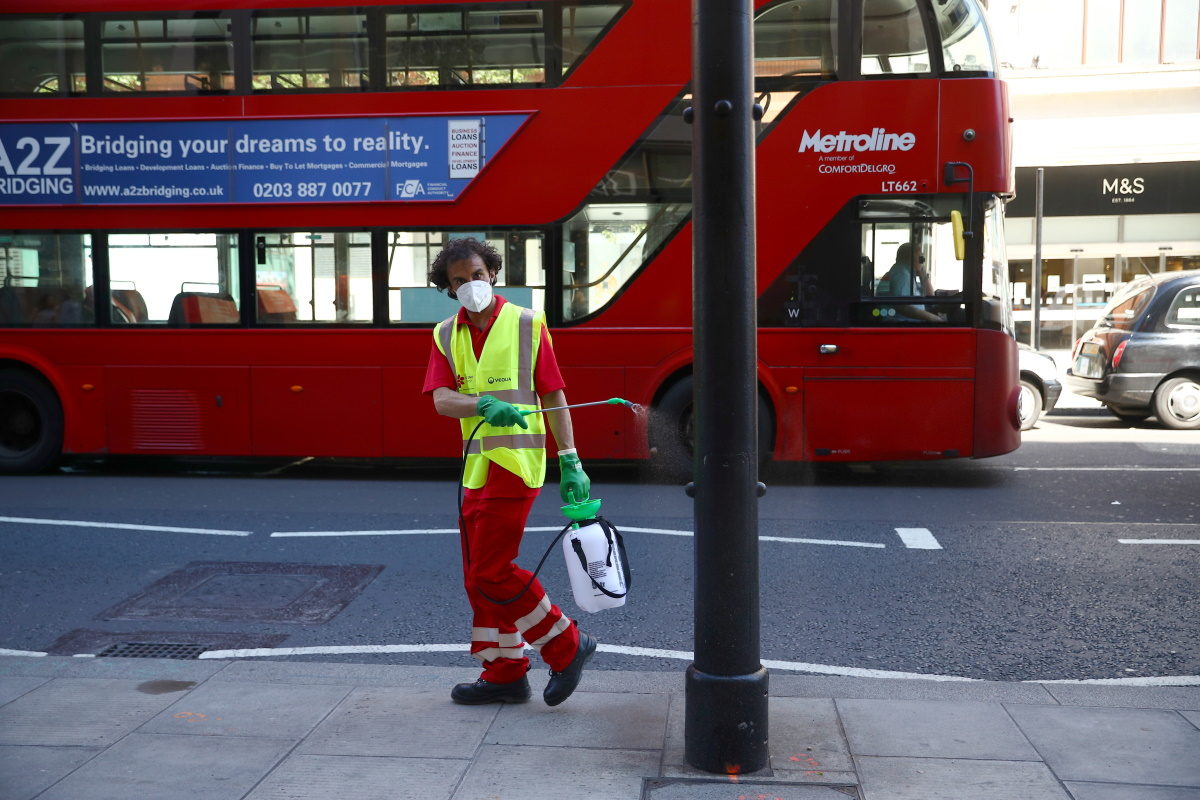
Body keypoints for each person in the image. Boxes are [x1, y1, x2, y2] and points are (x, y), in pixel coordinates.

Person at [422, 237, 598, 707]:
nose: (470, 285)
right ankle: (504, 672)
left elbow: (554, 396)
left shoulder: (526, 322)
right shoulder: (445, 334)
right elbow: (442, 401)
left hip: (516, 465)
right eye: (459, 280)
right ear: (448, 287)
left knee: (493, 571)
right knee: (475, 576)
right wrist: (481, 403)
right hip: (475, 471)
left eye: (477, 275)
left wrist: (572, 460)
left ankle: (566, 645)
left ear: (493, 274)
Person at [875, 242, 944, 322]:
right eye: (921, 258)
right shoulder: (901, 274)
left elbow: (930, 296)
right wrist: (933, 318)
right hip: (901, 324)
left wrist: (923, 275)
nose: (922, 262)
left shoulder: (906, 272)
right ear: (911, 258)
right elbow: (902, 306)